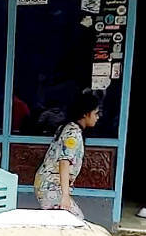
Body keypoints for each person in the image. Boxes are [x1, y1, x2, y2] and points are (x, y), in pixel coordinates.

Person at [33, 91, 100, 219]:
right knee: (76, 220)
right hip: (51, 187)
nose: (97, 117)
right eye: (95, 113)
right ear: (86, 114)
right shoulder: (72, 133)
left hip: (47, 185)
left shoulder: (67, 128)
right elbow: (64, 162)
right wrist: (65, 196)